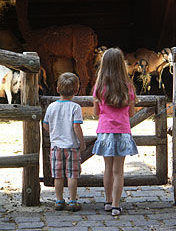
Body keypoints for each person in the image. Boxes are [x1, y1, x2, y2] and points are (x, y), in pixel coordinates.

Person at [92, 47, 138, 216]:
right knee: (119, 170)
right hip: (123, 132)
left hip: (105, 132)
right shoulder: (128, 87)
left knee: (108, 169)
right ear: (122, 65)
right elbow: (132, 113)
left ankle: (108, 201)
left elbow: (96, 112)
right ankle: (117, 206)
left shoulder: (99, 87)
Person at [43, 72, 86, 212]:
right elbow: (76, 126)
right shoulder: (75, 108)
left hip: (56, 147)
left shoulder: (51, 107)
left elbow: (45, 125)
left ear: (57, 89)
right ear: (76, 90)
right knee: (72, 175)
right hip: (72, 147)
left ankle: (59, 200)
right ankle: (73, 201)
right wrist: (82, 142)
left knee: (58, 175)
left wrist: (54, 132)